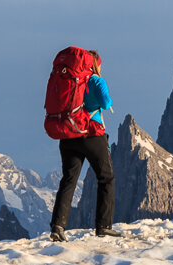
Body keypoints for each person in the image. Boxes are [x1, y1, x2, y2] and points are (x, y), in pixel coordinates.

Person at [50, 50, 122, 241]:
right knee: (106, 178)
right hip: (91, 133)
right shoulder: (96, 80)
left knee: (69, 180)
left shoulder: (69, 78)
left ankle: (57, 227)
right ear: (96, 63)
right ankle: (103, 226)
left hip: (68, 135)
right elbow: (106, 103)